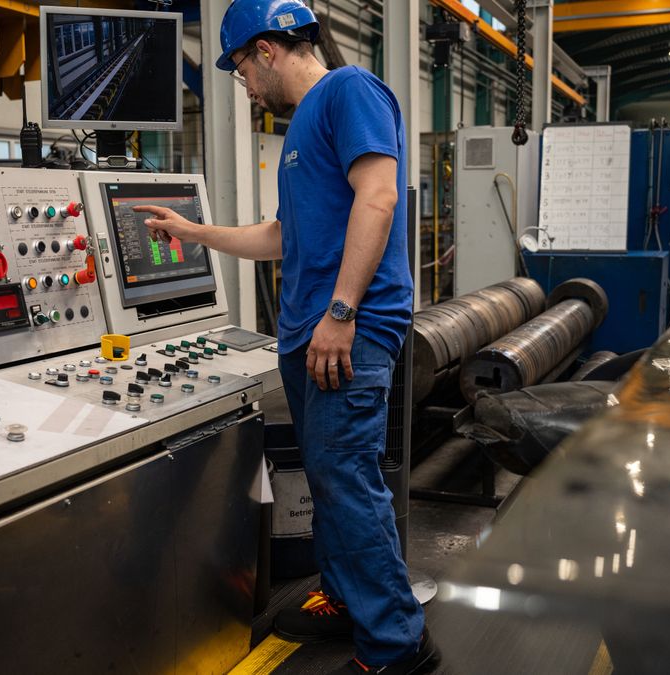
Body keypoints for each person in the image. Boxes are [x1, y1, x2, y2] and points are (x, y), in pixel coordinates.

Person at [132, 1, 435, 673]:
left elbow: (379, 197)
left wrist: (342, 313)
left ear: (266, 49)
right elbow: (280, 236)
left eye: (241, 68)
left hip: (348, 328)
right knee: (328, 478)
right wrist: (193, 232)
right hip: (309, 333)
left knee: (346, 479)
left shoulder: (348, 91)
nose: (243, 83)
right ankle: (348, 599)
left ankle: (397, 645)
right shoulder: (302, 128)